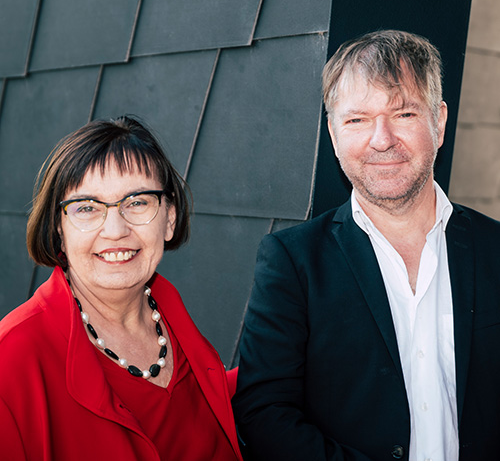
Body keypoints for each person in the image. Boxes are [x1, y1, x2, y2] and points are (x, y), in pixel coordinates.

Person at [232, 30, 500, 461]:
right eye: (357, 119)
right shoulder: (292, 262)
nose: (381, 139)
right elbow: (264, 415)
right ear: (335, 135)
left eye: (404, 114)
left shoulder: (495, 249)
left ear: (440, 122)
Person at [0, 116, 243, 460]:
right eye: (87, 208)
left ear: (169, 219)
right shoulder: (10, 361)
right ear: (59, 230)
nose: (115, 229)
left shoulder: (172, 318)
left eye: (138, 202)